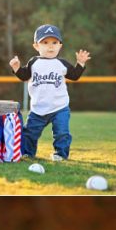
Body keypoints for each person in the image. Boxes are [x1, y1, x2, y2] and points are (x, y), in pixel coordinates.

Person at [9, 24, 91, 161]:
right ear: (36, 46)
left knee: (62, 133)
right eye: (45, 42)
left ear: (60, 46)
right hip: (38, 108)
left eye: (54, 42)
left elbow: (75, 76)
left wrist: (80, 64)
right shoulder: (33, 62)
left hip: (60, 107)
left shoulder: (62, 63)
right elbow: (24, 76)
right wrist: (17, 68)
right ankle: (27, 153)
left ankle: (61, 154)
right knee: (29, 133)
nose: (50, 46)